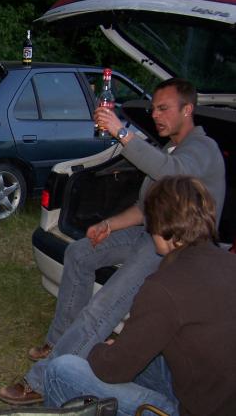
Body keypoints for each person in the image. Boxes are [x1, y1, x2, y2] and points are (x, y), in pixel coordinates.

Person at [0, 78, 226, 404]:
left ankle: (42, 381)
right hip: (149, 232)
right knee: (79, 253)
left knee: (104, 307)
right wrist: (109, 224)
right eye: (153, 109)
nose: (155, 115)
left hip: (175, 244)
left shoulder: (203, 149)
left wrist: (121, 132)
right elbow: (146, 206)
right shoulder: (170, 147)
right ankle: (60, 341)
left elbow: (170, 172)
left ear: (187, 109)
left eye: (163, 108)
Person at [44, 176, 236, 416]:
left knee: (61, 371)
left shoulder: (163, 287)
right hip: (217, 395)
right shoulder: (229, 262)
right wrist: (122, 350)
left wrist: (101, 351)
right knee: (151, 357)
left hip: (195, 410)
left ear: (160, 224)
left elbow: (113, 370)